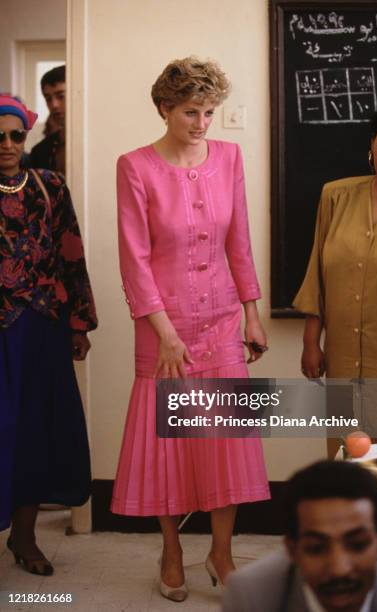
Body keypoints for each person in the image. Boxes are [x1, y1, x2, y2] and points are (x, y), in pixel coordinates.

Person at [111, 56, 270, 602]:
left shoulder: (229, 157)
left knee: (224, 441)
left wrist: (251, 310)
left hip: (223, 319)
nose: (202, 123)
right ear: (164, 109)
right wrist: (164, 331)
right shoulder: (134, 166)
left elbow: (239, 240)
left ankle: (221, 553)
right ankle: (172, 550)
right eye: (189, 112)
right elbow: (134, 259)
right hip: (164, 327)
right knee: (170, 446)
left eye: (208, 112)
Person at [0, 94, 97, 575]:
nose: (7, 145)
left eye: (16, 135)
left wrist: (78, 322)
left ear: (26, 136)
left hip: (41, 327)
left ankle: (24, 536)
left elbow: (71, 254)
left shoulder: (50, 186)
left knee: (36, 430)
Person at [293, 104, 377, 442]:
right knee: (345, 464)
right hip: (342, 362)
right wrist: (311, 341)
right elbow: (318, 275)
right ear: (371, 145)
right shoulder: (336, 196)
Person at [223, 460, 377, 612]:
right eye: (316, 548)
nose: (339, 568)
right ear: (292, 549)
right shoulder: (251, 596)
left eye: (357, 545)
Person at [30, 65, 66, 173]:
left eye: (61, 96)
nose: (54, 105)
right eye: (48, 99)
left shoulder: (94, 141)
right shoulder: (40, 151)